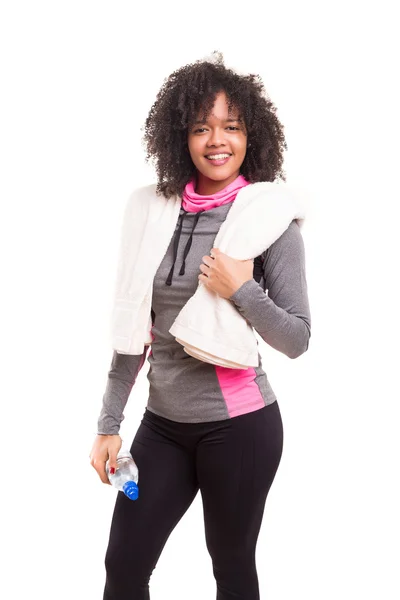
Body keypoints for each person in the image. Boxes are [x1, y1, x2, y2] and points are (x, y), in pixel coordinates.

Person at [89, 51, 312, 600]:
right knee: (123, 566)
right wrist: (109, 422)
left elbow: (297, 338)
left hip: (239, 429)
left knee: (231, 566)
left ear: (250, 135)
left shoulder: (270, 221)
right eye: (201, 127)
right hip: (161, 427)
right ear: (180, 138)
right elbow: (132, 329)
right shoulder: (153, 213)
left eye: (232, 127)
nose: (218, 140)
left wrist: (241, 288)